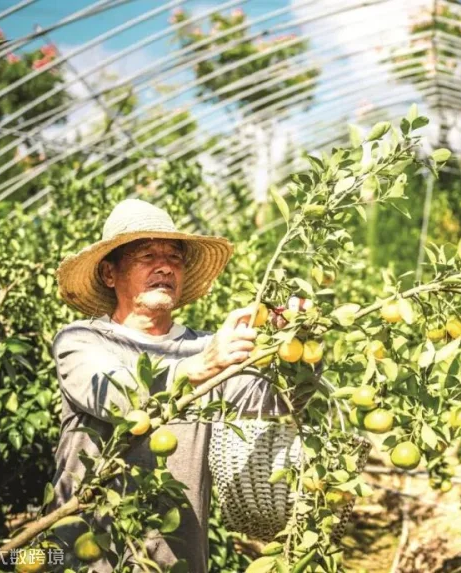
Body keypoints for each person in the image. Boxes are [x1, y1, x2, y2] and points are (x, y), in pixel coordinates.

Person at [50, 199, 293, 572]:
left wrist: (294, 344)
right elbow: (114, 396)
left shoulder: (207, 348)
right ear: (109, 274)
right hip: (87, 558)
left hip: (175, 561)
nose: (165, 266)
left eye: (175, 257)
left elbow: (281, 401)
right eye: (146, 255)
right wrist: (201, 366)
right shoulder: (81, 341)